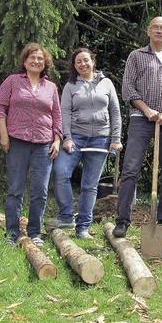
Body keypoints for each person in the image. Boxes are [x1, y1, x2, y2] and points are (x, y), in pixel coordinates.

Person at [113, 16, 162, 239]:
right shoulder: (136, 56)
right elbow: (128, 88)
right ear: (148, 31)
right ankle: (123, 221)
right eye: (155, 27)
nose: (158, 31)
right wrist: (147, 110)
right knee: (130, 171)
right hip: (140, 119)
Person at [50, 48, 122, 239]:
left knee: (90, 185)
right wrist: (67, 137)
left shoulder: (106, 84)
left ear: (93, 61)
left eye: (85, 60)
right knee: (61, 171)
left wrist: (115, 139)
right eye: (78, 62)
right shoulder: (71, 86)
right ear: (74, 66)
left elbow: (115, 111)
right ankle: (66, 216)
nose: (82, 64)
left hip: (101, 138)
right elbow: (64, 113)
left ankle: (83, 227)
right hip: (76, 137)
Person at [0, 43, 62, 246]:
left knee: (40, 191)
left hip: (43, 144)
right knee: (15, 189)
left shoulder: (50, 87)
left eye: (40, 58)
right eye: (32, 57)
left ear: (45, 63)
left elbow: (57, 116)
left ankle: (34, 233)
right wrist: (4, 136)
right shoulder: (13, 81)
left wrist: (57, 140)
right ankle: (12, 234)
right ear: (25, 61)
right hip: (17, 142)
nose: (36, 61)